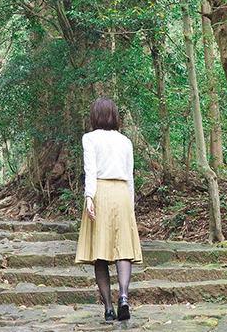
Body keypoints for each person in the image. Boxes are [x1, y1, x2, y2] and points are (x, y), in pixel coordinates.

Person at [75, 97, 142, 322]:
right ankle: (124, 296)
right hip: (122, 192)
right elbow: (130, 176)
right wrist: (130, 205)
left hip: (101, 191)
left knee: (100, 252)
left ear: (95, 116)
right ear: (114, 116)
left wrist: (89, 198)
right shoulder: (126, 141)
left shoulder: (90, 138)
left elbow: (90, 170)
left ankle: (108, 308)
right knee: (123, 249)